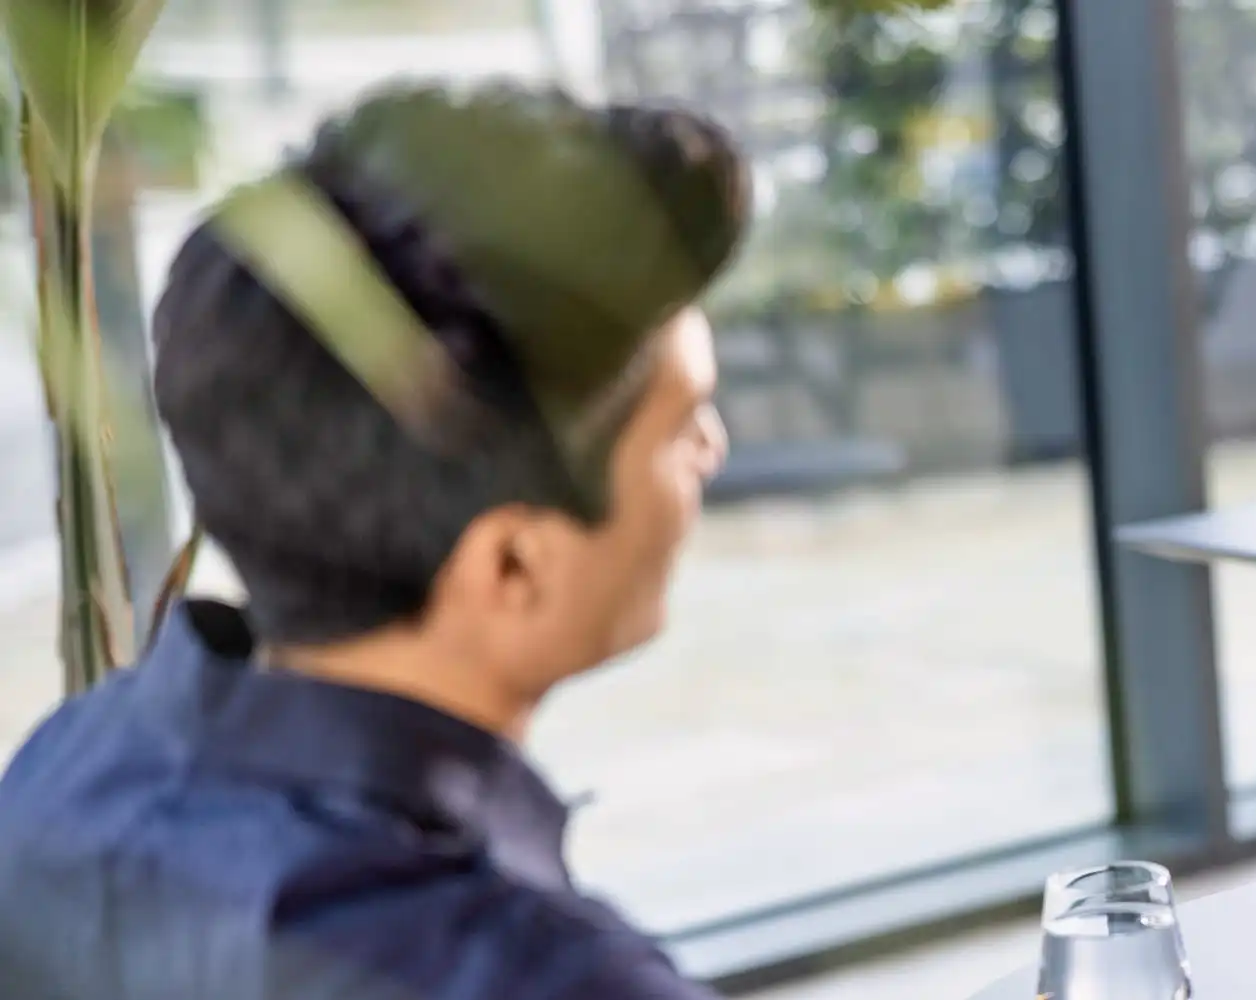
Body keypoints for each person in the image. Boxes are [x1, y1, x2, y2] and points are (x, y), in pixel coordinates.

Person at [0, 82, 746, 998]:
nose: (714, 450)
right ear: (513, 565)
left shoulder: (65, 774)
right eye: (684, 425)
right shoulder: (541, 978)